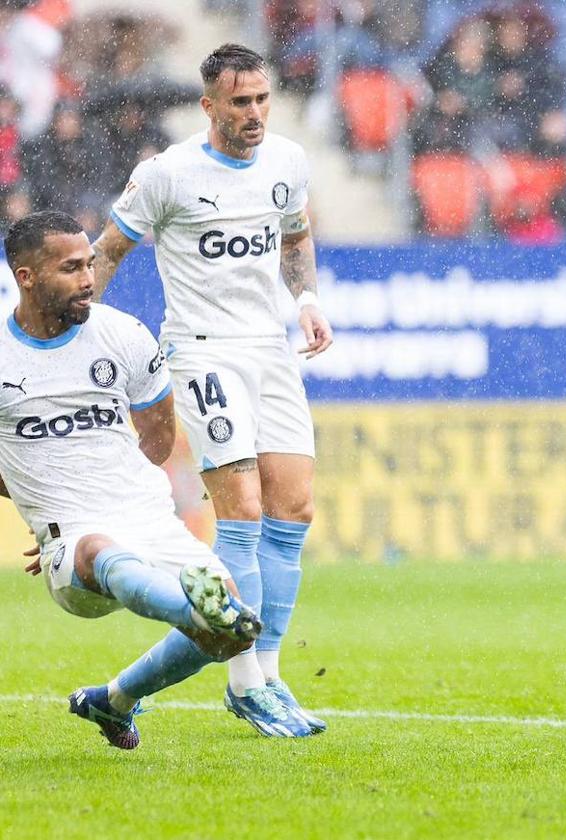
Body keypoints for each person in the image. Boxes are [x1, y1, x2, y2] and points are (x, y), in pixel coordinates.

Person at [89, 43, 333, 738]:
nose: (254, 113)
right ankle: (243, 680)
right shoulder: (167, 174)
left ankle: (272, 675)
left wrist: (308, 297)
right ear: (209, 105)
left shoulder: (288, 160)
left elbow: (294, 236)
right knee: (244, 513)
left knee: (295, 510)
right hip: (202, 353)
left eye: (261, 99)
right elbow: (108, 248)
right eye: (239, 102)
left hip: (270, 349)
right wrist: (75, 325)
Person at [0, 211, 260, 749]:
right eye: (71, 268)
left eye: (90, 264)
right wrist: (40, 498)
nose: (88, 279)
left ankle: (113, 701)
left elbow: (159, 437)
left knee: (228, 636)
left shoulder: (122, 334)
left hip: (146, 517)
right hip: (75, 535)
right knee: (99, 549)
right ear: (25, 277)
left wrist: (109, 494)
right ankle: (193, 608)